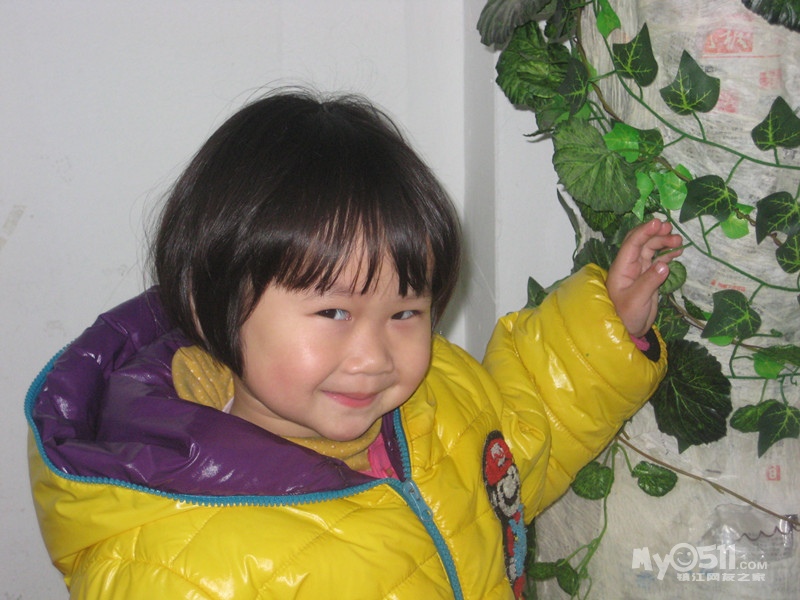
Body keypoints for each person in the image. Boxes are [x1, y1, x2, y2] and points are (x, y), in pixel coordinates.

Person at [26, 88, 683, 600]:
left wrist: (605, 330)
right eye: (334, 311)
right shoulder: (173, 566)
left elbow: (519, 446)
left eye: (405, 312)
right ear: (211, 302)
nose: (374, 357)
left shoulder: (436, 400)